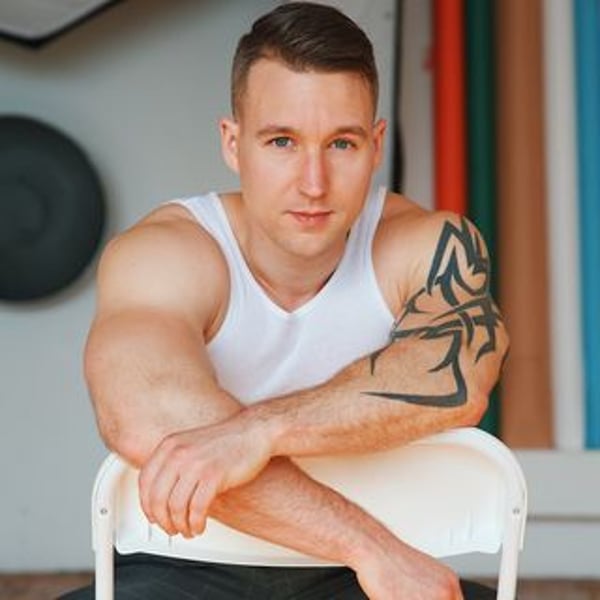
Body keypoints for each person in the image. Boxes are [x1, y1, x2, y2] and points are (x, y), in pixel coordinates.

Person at [63, 3, 509, 599]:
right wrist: (369, 547)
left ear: (377, 145)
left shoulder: (428, 244)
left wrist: (258, 432)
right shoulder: (167, 254)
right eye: (282, 141)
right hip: (185, 567)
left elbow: (456, 380)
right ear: (232, 143)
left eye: (342, 144)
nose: (313, 183)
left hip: (364, 582)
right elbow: (144, 416)